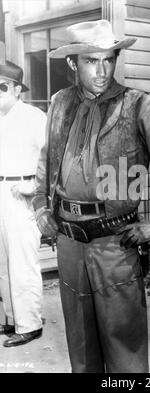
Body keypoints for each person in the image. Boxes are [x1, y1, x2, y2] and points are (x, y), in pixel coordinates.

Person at [33, 20, 150, 373]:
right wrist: (41, 207)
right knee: (81, 346)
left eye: (109, 60)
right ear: (73, 63)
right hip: (69, 243)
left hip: (115, 243)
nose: (103, 70)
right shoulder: (60, 103)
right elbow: (47, 159)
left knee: (124, 347)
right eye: (92, 61)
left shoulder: (138, 105)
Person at [0, 44, 46, 347]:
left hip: (22, 194)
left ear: (17, 89)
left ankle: (30, 324)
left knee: (22, 261)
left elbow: (53, 158)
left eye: (2, 86)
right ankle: (10, 319)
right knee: (3, 261)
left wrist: (35, 185)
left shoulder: (33, 117)